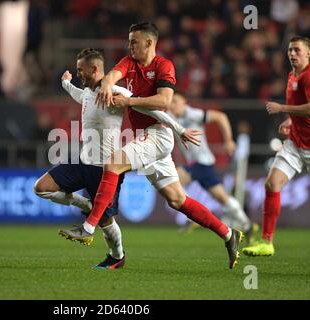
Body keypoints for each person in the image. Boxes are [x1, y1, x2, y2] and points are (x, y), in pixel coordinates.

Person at [59, 22, 244, 269]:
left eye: (134, 41)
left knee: (112, 164)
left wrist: (130, 101)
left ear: (149, 42)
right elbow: (114, 74)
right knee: (177, 200)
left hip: (158, 134)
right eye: (129, 41)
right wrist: (106, 83)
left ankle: (89, 226)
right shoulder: (129, 62)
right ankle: (229, 234)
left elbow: (164, 100)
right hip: (145, 137)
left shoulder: (163, 66)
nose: (130, 46)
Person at [34, 48, 197, 269]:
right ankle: (87, 205)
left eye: (81, 70)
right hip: (81, 161)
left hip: (104, 168)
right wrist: (66, 82)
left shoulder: (116, 93)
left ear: (94, 69)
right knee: (41, 188)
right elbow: (77, 94)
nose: (79, 73)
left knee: (106, 222)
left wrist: (179, 129)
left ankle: (117, 255)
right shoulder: (87, 92)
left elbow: (154, 110)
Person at [243, 36, 310, 257]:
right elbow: (300, 109)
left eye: (297, 50)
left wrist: (282, 108)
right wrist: (291, 119)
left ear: (308, 53)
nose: (292, 54)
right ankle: (266, 243)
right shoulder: (292, 75)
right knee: (272, 184)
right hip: (295, 143)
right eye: (290, 50)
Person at [168, 93, 256, 242]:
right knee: (222, 198)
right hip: (198, 164)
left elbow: (221, 117)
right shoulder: (171, 116)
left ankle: (194, 216)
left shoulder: (192, 113)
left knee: (171, 182)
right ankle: (247, 225)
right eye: (171, 102)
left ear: (184, 102)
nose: (172, 104)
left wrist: (228, 140)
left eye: (176, 101)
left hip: (201, 163)